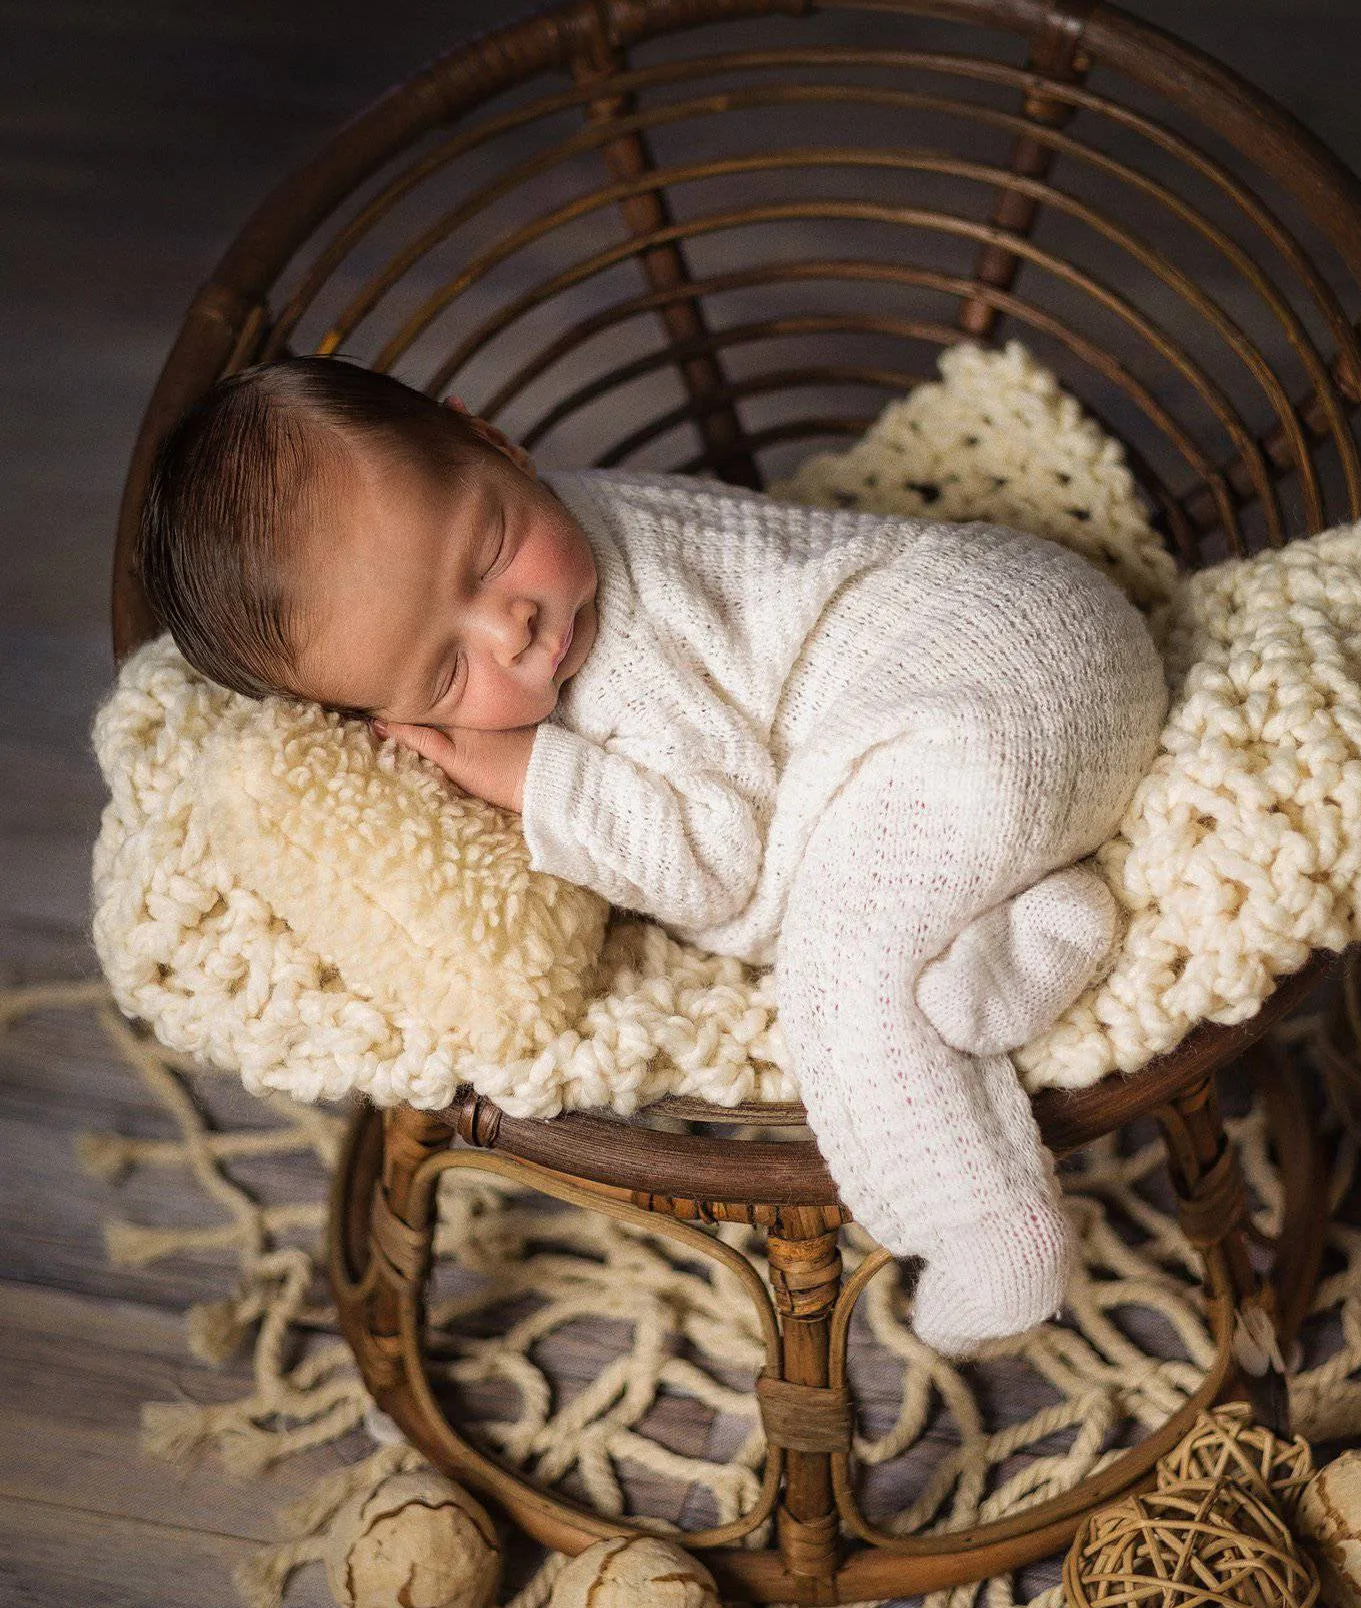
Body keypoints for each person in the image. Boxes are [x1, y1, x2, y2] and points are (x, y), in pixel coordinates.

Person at [136, 356, 1168, 1355]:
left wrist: (531, 772)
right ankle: (1030, 927)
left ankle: (991, 1229)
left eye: (489, 550)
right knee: (898, 916)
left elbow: (717, 862)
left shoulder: (626, 653)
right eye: (446, 672)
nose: (509, 628)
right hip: (1051, 670)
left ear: (494, 440)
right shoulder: (568, 520)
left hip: (988, 671)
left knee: (840, 976)